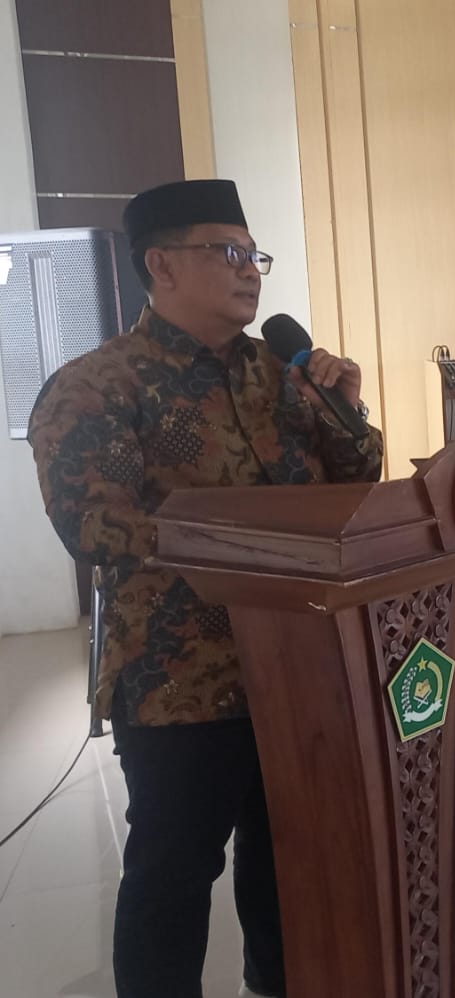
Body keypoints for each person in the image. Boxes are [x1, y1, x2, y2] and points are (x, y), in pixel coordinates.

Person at [28, 179, 384, 998]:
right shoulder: (97, 386)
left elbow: (354, 484)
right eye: (227, 252)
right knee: (174, 870)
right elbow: (92, 524)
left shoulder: (283, 376)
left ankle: (281, 983)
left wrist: (346, 410)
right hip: (178, 678)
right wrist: (242, 543)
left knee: (288, 853)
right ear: (161, 265)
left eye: (254, 255)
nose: (249, 270)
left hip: (299, 662)